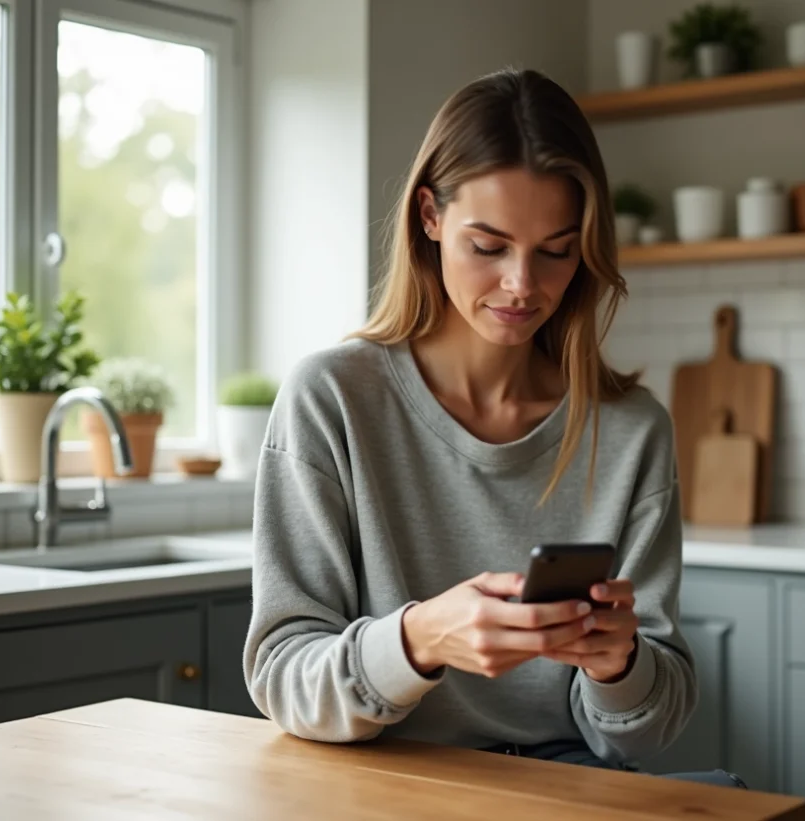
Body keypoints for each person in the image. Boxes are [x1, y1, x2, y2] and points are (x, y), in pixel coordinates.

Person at [242, 67, 745, 790]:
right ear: (429, 216)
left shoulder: (632, 431)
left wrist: (620, 665)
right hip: (386, 789)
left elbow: (648, 730)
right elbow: (282, 676)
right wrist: (419, 638)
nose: (522, 284)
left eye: (556, 249)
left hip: (561, 790)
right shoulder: (332, 400)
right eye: (488, 246)